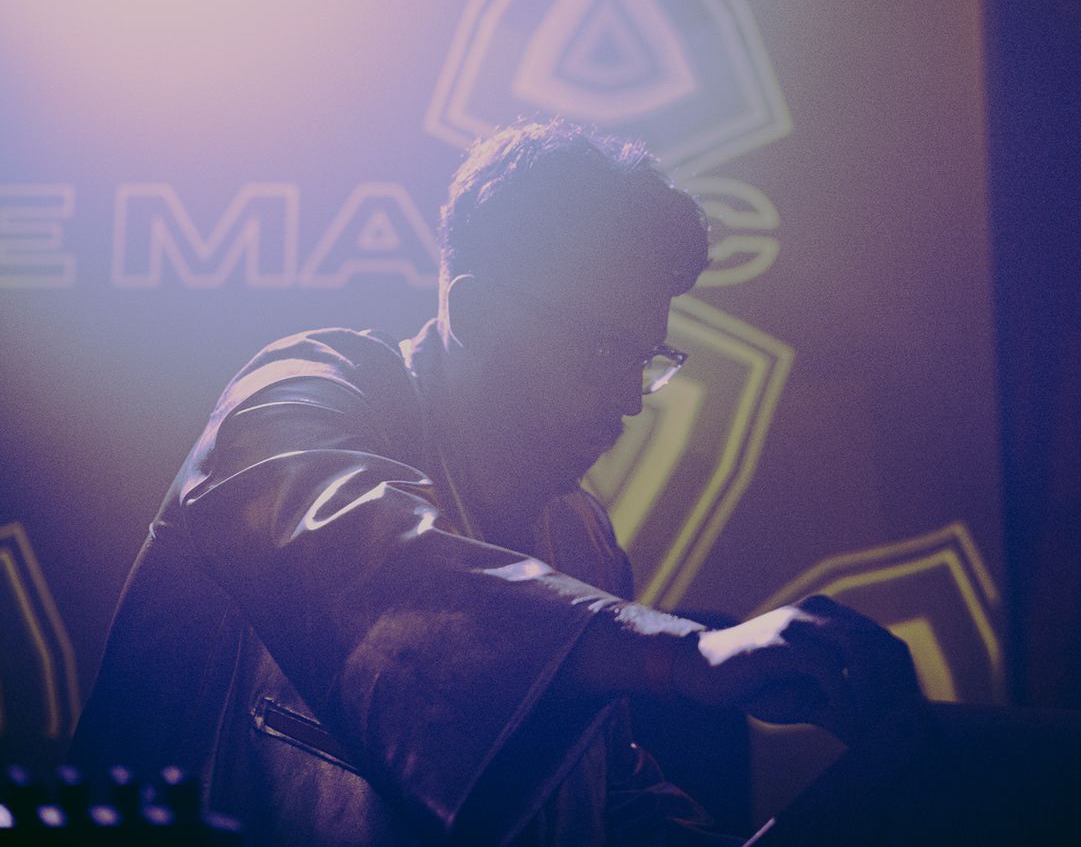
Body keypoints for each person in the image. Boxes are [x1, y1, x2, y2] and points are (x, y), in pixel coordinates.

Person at [72, 122, 922, 846]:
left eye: (644, 359)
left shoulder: (580, 536)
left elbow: (602, 802)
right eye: (601, 350)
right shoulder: (295, 398)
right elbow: (379, 572)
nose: (629, 398)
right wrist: (685, 654)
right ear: (473, 311)